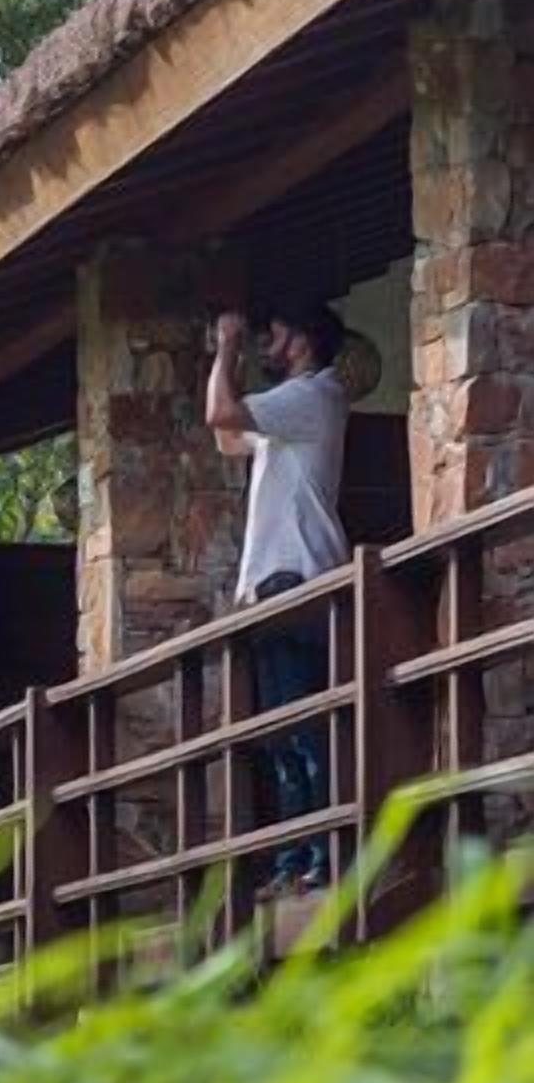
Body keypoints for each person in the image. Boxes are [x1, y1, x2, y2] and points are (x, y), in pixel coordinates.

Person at [207, 302, 351, 896]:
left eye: (279, 327)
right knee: (282, 736)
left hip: (297, 577)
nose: (271, 336)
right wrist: (228, 353)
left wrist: (227, 347)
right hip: (271, 583)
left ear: (303, 340)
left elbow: (221, 410)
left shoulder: (313, 394)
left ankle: (321, 857)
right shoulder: (289, 411)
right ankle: (295, 861)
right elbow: (225, 436)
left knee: (304, 728)